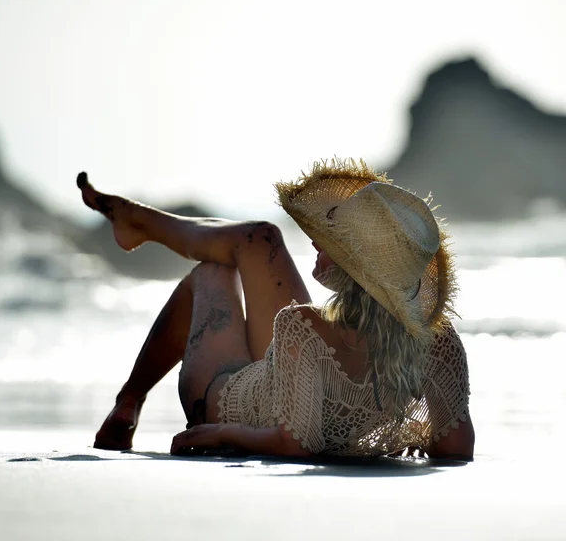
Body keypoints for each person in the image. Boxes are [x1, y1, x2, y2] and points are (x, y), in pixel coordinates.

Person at [77, 159, 475, 460]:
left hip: (223, 399)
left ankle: (129, 400)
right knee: (260, 239)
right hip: (283, 375)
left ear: (358, 269)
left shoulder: (304, 327)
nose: (317, 242)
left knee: (213, 273)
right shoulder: (436, 341)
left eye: (333, 238)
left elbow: (294, 443)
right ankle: (137, 219)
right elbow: (456, 447)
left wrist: (221, 434)